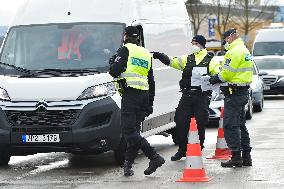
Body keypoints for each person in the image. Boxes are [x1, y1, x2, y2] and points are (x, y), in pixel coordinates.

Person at [153, 35, 220, 161]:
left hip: (202, 96)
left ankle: (198, 148)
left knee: (200, 122)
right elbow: (173, 61)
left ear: (201, 44)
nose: (193, 45)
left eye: (195, 43)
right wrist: (161, 56)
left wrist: (210, 78)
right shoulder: (188, 58)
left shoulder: (211, 59)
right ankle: (182, 150)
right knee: (180, 120)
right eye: (192, 42)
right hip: (187, 95)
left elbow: (216, 73)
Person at [109, 26, 165, 176]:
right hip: (144, 96)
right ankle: (127, 166)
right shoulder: (146, 53)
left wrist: (112, 62)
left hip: (131, 94)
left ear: (125, 36)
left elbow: (114, 71)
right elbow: (151, 80)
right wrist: (150, 103)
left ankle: (154, 157)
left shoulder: (125, 49)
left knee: (128, 131)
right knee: (134, 132)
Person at [209, 28, 253, 167]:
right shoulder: (244, 50)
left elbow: (226, 75)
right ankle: (246, 156)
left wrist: (213, 79)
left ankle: (236, 157)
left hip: (234, 93)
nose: (225, 43)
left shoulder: (233, 52)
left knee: (229, 125)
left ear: (230, 38)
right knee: (240, 125)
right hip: (243, 92)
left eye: (225, 40)